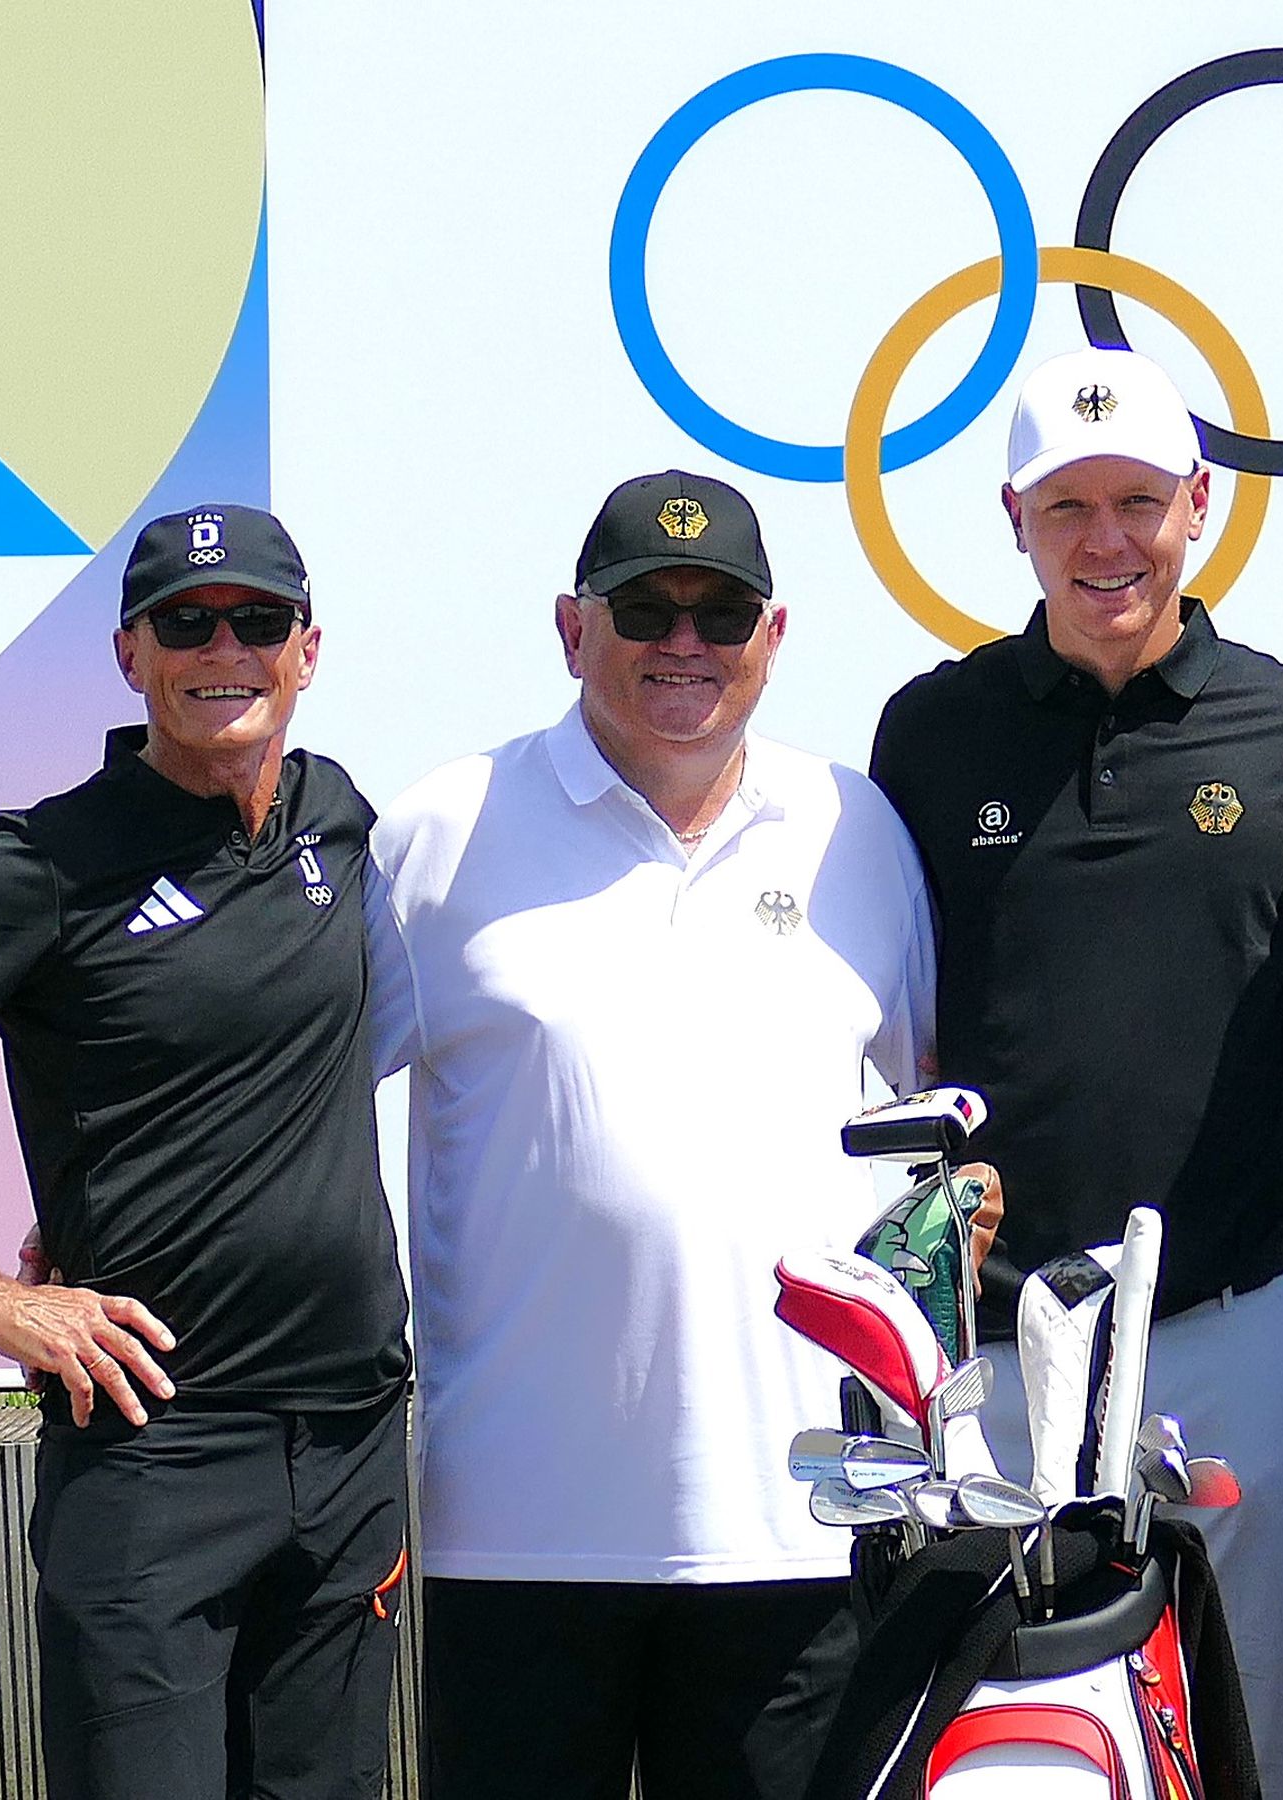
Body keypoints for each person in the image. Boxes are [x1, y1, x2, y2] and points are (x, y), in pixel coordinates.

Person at [0, 505, 412, 1799]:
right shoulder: (45, 861)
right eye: (187, 622)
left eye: (257, 620)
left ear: (308, 649)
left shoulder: (339, 820)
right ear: (130, 656)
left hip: (347, 1449)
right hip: (154, 1458)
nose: (224, 647)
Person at [365, 472, 939, 1800]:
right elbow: (303, 1101)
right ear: (574, 631)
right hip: (517, 1530)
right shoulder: (443, 832)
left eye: (721, 612)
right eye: (647, 610)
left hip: (797, 1524)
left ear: (775, 638)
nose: (685, 643)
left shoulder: (858, 830)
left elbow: (942, 1120)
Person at [867, 345, 1283, 1799]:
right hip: (1003, 1338)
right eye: (1067, 504)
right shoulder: (931, 731)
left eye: (1138, 501)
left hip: (1237, 1320)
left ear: (1199, 505)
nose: (1107, 541)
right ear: (1012, 517)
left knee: (1246, 1731)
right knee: (1009, 1744)